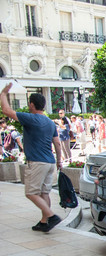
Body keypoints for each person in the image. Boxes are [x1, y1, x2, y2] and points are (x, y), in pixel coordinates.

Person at [1, 83, 63, 232]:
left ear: (32, 104)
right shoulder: (50, 122)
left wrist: (3, 94)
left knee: (30, 193)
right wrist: (59, 161)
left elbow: (6, 110)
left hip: (36, 163)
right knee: (44, 193)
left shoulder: (31, 118)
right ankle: (44, 222)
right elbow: (57, 144)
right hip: (50, 162)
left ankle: (51, 215)